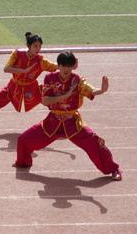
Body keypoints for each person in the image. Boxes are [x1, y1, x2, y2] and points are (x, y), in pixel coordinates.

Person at [14, 51, 121, 180]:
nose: (66, 69)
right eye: (64, 66)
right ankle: (23, 162)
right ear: (58, 65)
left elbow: (90, 90)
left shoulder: (78, 80)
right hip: (52, 122)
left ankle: (113, 169)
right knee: (23, 139)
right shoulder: (50, 78)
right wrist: (65, 96)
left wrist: (101, 90)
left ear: (73, 66)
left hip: (73, 123)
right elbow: (45, 101)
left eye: (69, 66)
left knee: (95, 141)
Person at [0, 32, 57, 131]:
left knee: (55, 98)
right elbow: (6, 68)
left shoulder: (40, 60)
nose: (38, 49)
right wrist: (24, 71)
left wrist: (68, 64)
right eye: (35, 46)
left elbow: (55, 66)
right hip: (14, 87)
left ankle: (61, 123)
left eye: (40, 46)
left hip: (33, 88)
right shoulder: (17, 54)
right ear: (28, 46)